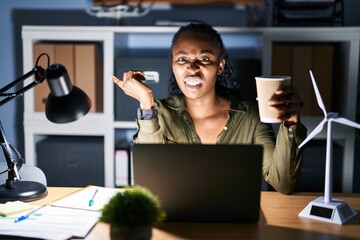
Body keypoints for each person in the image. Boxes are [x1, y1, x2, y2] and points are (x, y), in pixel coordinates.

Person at [112, 23, 307, 195]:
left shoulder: (250, 116)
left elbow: (283, 183)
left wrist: (291, 120)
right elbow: (148, 182)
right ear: (173, 66)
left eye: (204, 59)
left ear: (220, 66)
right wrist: (146, 103)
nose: (192, 68)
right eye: (182, 60)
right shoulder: (157, 113)